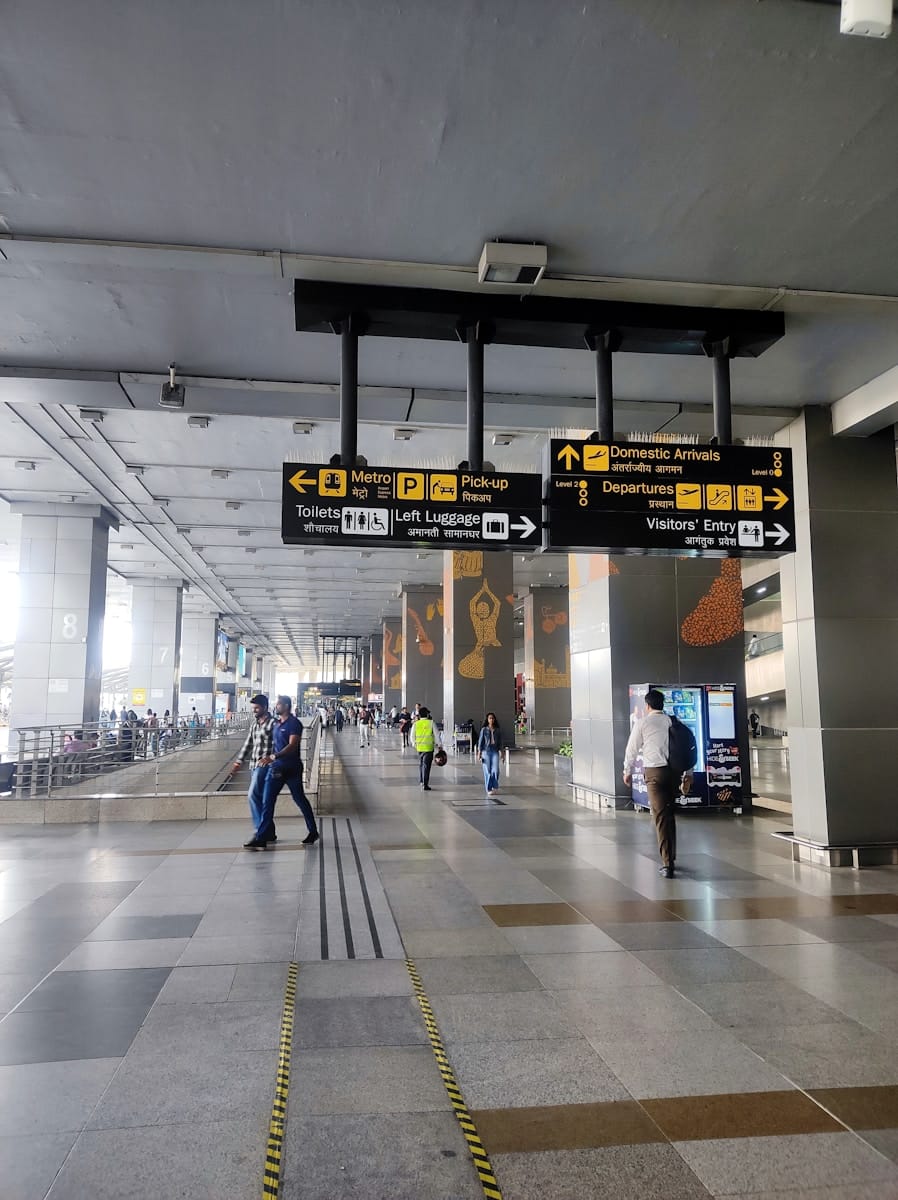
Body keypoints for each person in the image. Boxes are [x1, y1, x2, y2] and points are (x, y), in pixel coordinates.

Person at [623, 688, 683, 879]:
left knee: (660, 816)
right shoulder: (672, 721)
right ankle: (671, 856)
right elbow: (684, 747)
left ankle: (667, 863)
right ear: (662, 704)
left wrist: (627, 771)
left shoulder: (643, 723)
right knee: (669, 812)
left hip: (654, 774)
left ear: (647, 705)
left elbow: (631, 749)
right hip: (674, 773)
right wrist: (688, 773)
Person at [257, 696, 319, 847]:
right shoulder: (277, 724)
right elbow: (275, 743)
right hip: (277, 768)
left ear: (286, 706)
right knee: (267, 801)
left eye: (278, 704)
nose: (276, 706)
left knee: (299, 799)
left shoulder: (294, 724)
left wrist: (273, 756)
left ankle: (313, 831)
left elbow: (292, 745)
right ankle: (263, 836)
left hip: (291, 767)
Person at [232, 694, 277, 850]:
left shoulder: (273, 724)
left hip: (265, 766)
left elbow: (279, 746)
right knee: (261, 799)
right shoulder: (255, 724)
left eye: (257, 708)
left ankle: (260, 833)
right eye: (253, 708)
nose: (254, 711)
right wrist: (239, 761)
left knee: (252, 795)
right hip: (253, 766)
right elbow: (248, 744)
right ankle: (269, 831)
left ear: (265, 707)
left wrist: (273, 760)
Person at [413, 705, 441, 790]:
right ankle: (425, 784)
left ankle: (422, 781)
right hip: (428, 748)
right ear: (427, 714)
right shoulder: (431, 723)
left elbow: (412, 736)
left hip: (420, 748)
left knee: (421, 765)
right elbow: (437, 735)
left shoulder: (416, 724)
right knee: (426, 766)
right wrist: (439, 745)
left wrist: (415, 744)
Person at [477, 712, 503, 798]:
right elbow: (480, 742)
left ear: (494, 719)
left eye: (492, 718)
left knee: (495, 770)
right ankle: (489, 788)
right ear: (487, 720)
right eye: (489, 718)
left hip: (494, 751)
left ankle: (494, 786)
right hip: (486, 751)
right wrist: (479, 752)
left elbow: (500, 742)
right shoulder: (484, 730)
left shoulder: (498, 730)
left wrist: (501, 752)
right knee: (487, 770)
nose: (491, 720)